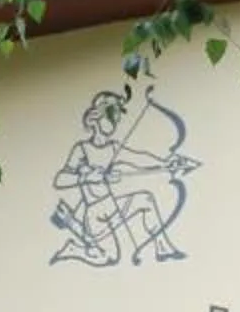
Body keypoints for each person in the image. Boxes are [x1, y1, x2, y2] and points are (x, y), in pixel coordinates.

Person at [49, 89, 195, 266]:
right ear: (97, 117)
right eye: (111, 115)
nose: (115, 121)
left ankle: (163, 247)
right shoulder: (83, 149)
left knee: (145, 200)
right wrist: (87, 177)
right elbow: (60, 179)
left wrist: (165, 164)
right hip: (95, 214)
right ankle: (74, 248)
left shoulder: (112, 148)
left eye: (117, 116)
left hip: (111, 206)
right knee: (109, 258)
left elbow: (137, 157)